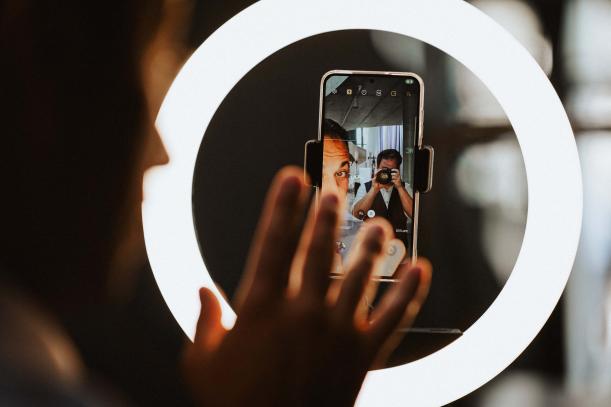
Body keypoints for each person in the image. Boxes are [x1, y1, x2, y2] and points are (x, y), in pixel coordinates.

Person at [0, 2, 431, 406]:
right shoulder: (32, 387)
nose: (162, 155)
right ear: (49, 109)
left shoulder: (37, 372)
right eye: (149, 83)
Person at [352, 149, 414, 249]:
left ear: (397, 170)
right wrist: (374, 190)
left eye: (391, 170)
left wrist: (399, 187)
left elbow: (414, 214)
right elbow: (357, 215)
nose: (386, 173)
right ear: (377, 168)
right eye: (384, 169)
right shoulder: (366, 187)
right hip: (370, 248)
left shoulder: (405, 187)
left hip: (398, 249)